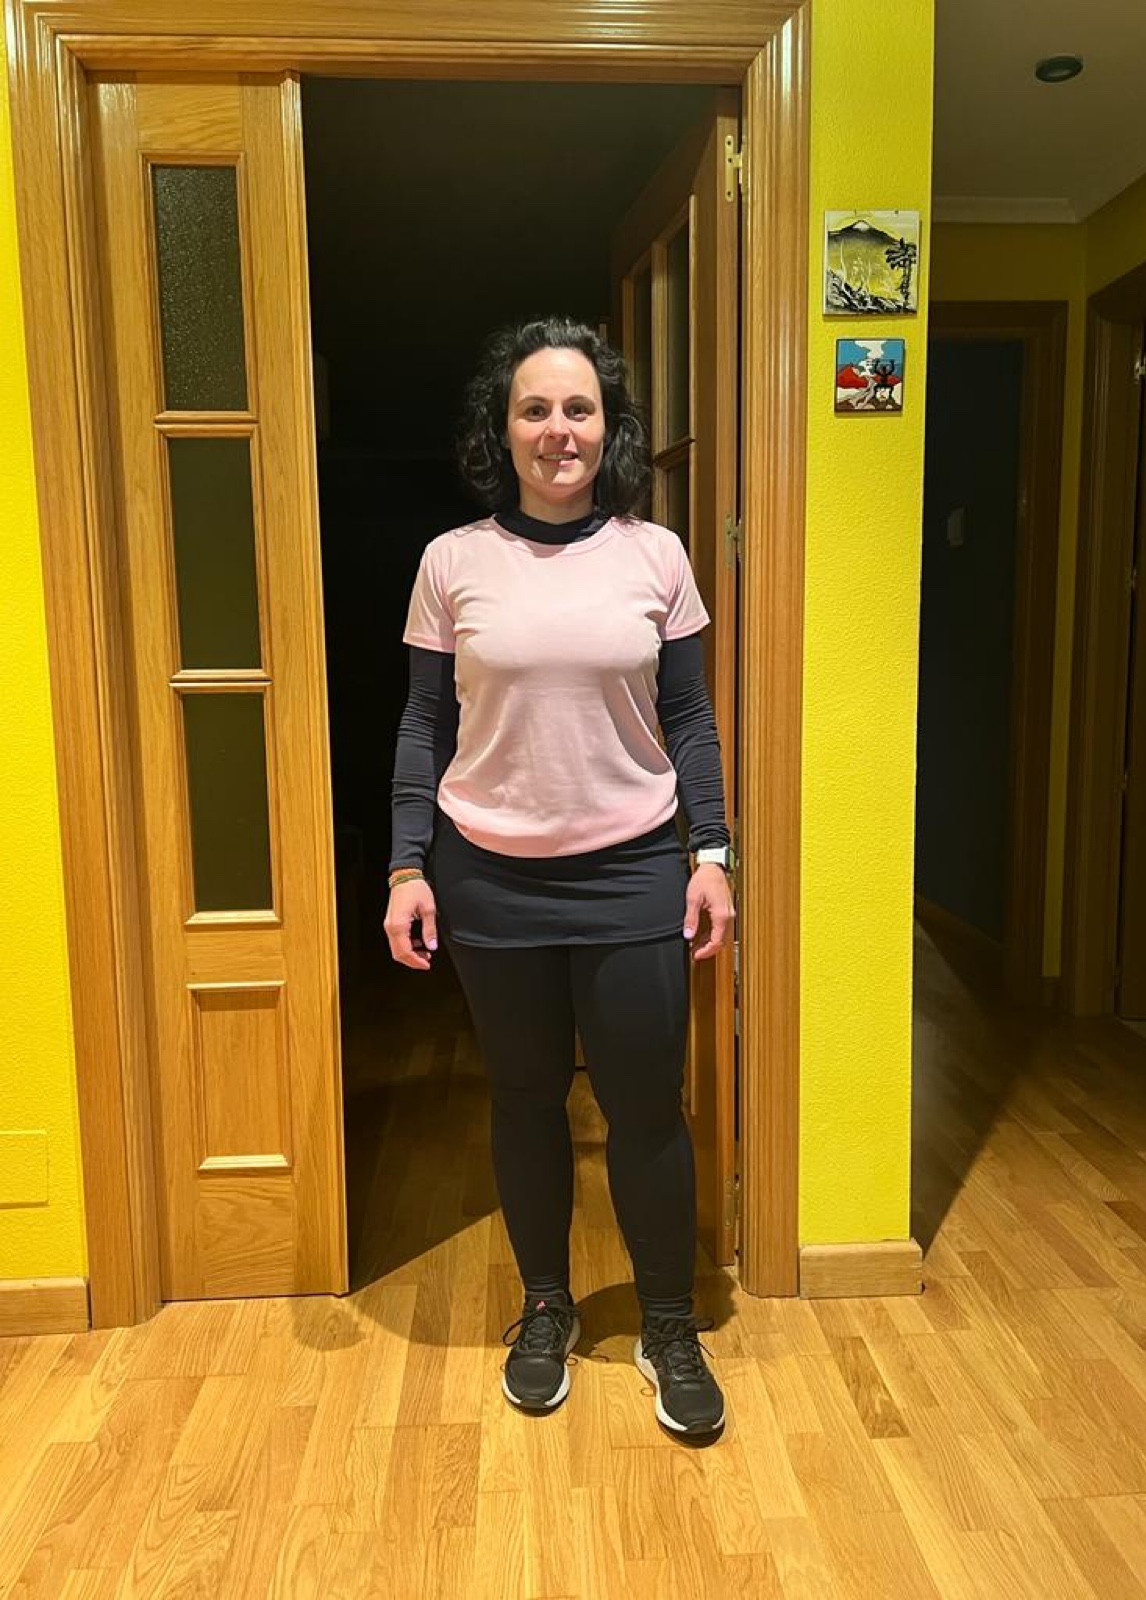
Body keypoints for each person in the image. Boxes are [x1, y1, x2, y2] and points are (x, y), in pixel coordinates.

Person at [383, 316, 735, 1441]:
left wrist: (712, 853)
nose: (557, 429)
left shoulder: (656, 555)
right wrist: (405, 866)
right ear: (503, 430)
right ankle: (545, 1307)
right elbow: (424, 723)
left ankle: (668, 1324)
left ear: (607, 426)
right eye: (533, 409)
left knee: (646, 1109)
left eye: (578, 408)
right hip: (489, 879)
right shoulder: (451, 563)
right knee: (526, 1099)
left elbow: (690, 715)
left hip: (633, 871)